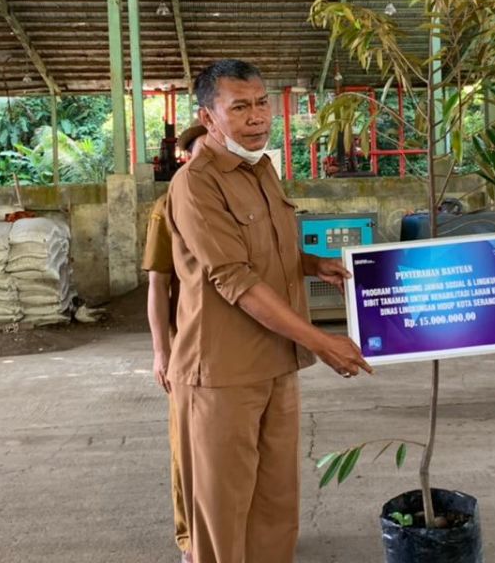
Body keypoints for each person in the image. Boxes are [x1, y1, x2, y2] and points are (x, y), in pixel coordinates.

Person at [165, 59, 372, 563]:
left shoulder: (262, 169)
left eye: (261, 104)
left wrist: (311, 263)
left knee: (276, 499)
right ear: (208, 116)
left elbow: (267, 250)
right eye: (240, 107)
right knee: (223, 506)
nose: (257, 117)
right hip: (222, 371)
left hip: (278, 361)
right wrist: (322, 341)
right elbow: (234, 277)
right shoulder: (196, 184)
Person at [144, 122, 207, 563]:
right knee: (188, 449)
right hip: (188, 348)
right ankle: (191, 540)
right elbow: (157, 285)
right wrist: (161, 353)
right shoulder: (167, 208)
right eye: (200, 153)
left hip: (240, 350)